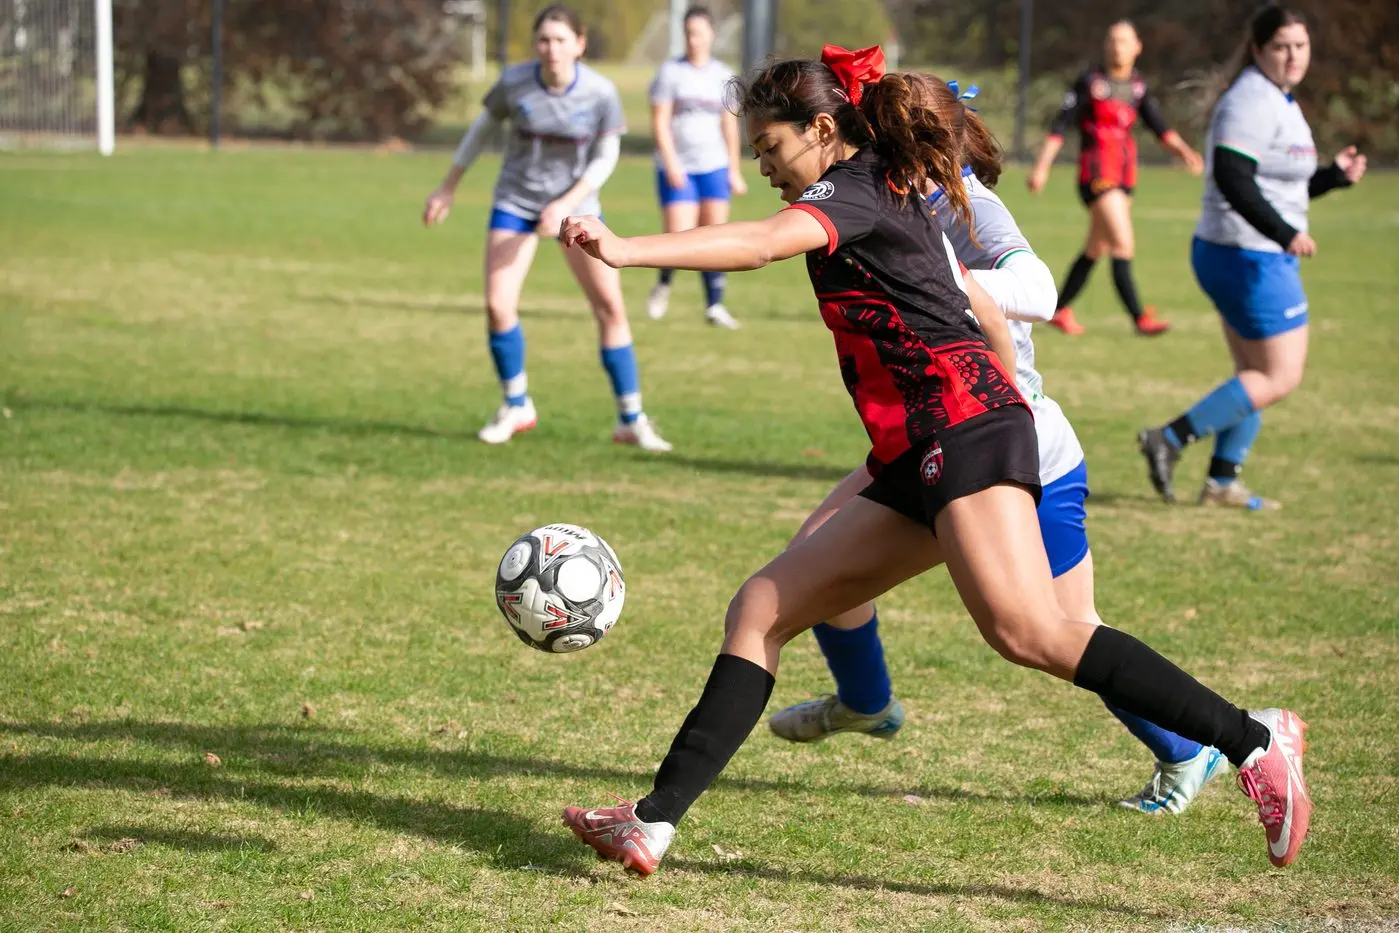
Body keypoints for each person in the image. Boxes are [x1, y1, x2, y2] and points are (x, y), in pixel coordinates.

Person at [556, 45, 1311, 876]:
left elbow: (759, 244)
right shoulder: (881, 174)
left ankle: (1253, 739)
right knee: (763, 606)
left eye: (769, 148)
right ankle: (652, 821)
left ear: (818, 128)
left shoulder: (844, 191)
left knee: (1030, 630)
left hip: (958, 430)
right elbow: (973, 307)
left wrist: (626, 250)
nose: (762, 165)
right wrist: (1003, 394)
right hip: (930, 438)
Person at [768, 72, 1226, 816]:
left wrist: (939, 280)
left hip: (1014, 442)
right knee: (812, 560)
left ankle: (1202, 744)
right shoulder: (885, 193)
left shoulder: (966, 203)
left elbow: (1040, 290)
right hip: (943, 430)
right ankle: (866, 701)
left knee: (1056, 631)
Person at [1138, 6, 1365, 510]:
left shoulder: (1279, 100)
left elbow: (1279, 180)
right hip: (1248, 254)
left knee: (1253, 373)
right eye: (1282, 46)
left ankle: (1221, 481)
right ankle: (1169, 439)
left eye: (1300, 46)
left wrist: (1334, 176)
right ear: (1259, 48)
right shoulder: (1252, 100)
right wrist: (1284, 233)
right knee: (1279, 376)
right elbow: (1234, 177)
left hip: (1241, 251)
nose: (1293, 56)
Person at [422, 5, 672, 451]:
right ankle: (517, 405)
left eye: (560, 40)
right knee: (498, 305)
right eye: (544, 40)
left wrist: (564, 204)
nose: (551, 48)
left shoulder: (599, 92)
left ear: (579, 45)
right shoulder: (516, 82)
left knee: (610, 308)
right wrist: (447, 186)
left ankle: (630, 419)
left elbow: (606, 156)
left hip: (577, 212)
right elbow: (481, 129)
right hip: (515, 204)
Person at [1027, 20, 1203, 337]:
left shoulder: (1137, 86)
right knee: (1122, 243)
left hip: (1124, 175)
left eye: (1123, 41)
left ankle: (1059, 309)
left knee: (1096, 247)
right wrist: (1042, 167)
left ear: (1137, 47)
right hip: (1097, 175)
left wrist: (1186, 152)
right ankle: (1139, 318)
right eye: (1111, 40)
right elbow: (1060, 127)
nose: (1116, 46)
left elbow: (1160, 127)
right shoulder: (1090, 82)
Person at [645, 5, 748, 329]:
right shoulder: (671, 73)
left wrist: (733, 169)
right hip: (679, 168)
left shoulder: (722, 75)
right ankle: (663, 284)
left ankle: (714, 305)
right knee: (678, 234)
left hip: (713, 167)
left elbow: (729, 126)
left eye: (699, 33)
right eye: (688, 33)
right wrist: (672, 162)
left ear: (711, 35)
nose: (693, 39)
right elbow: (660, 121)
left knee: (713, 237)